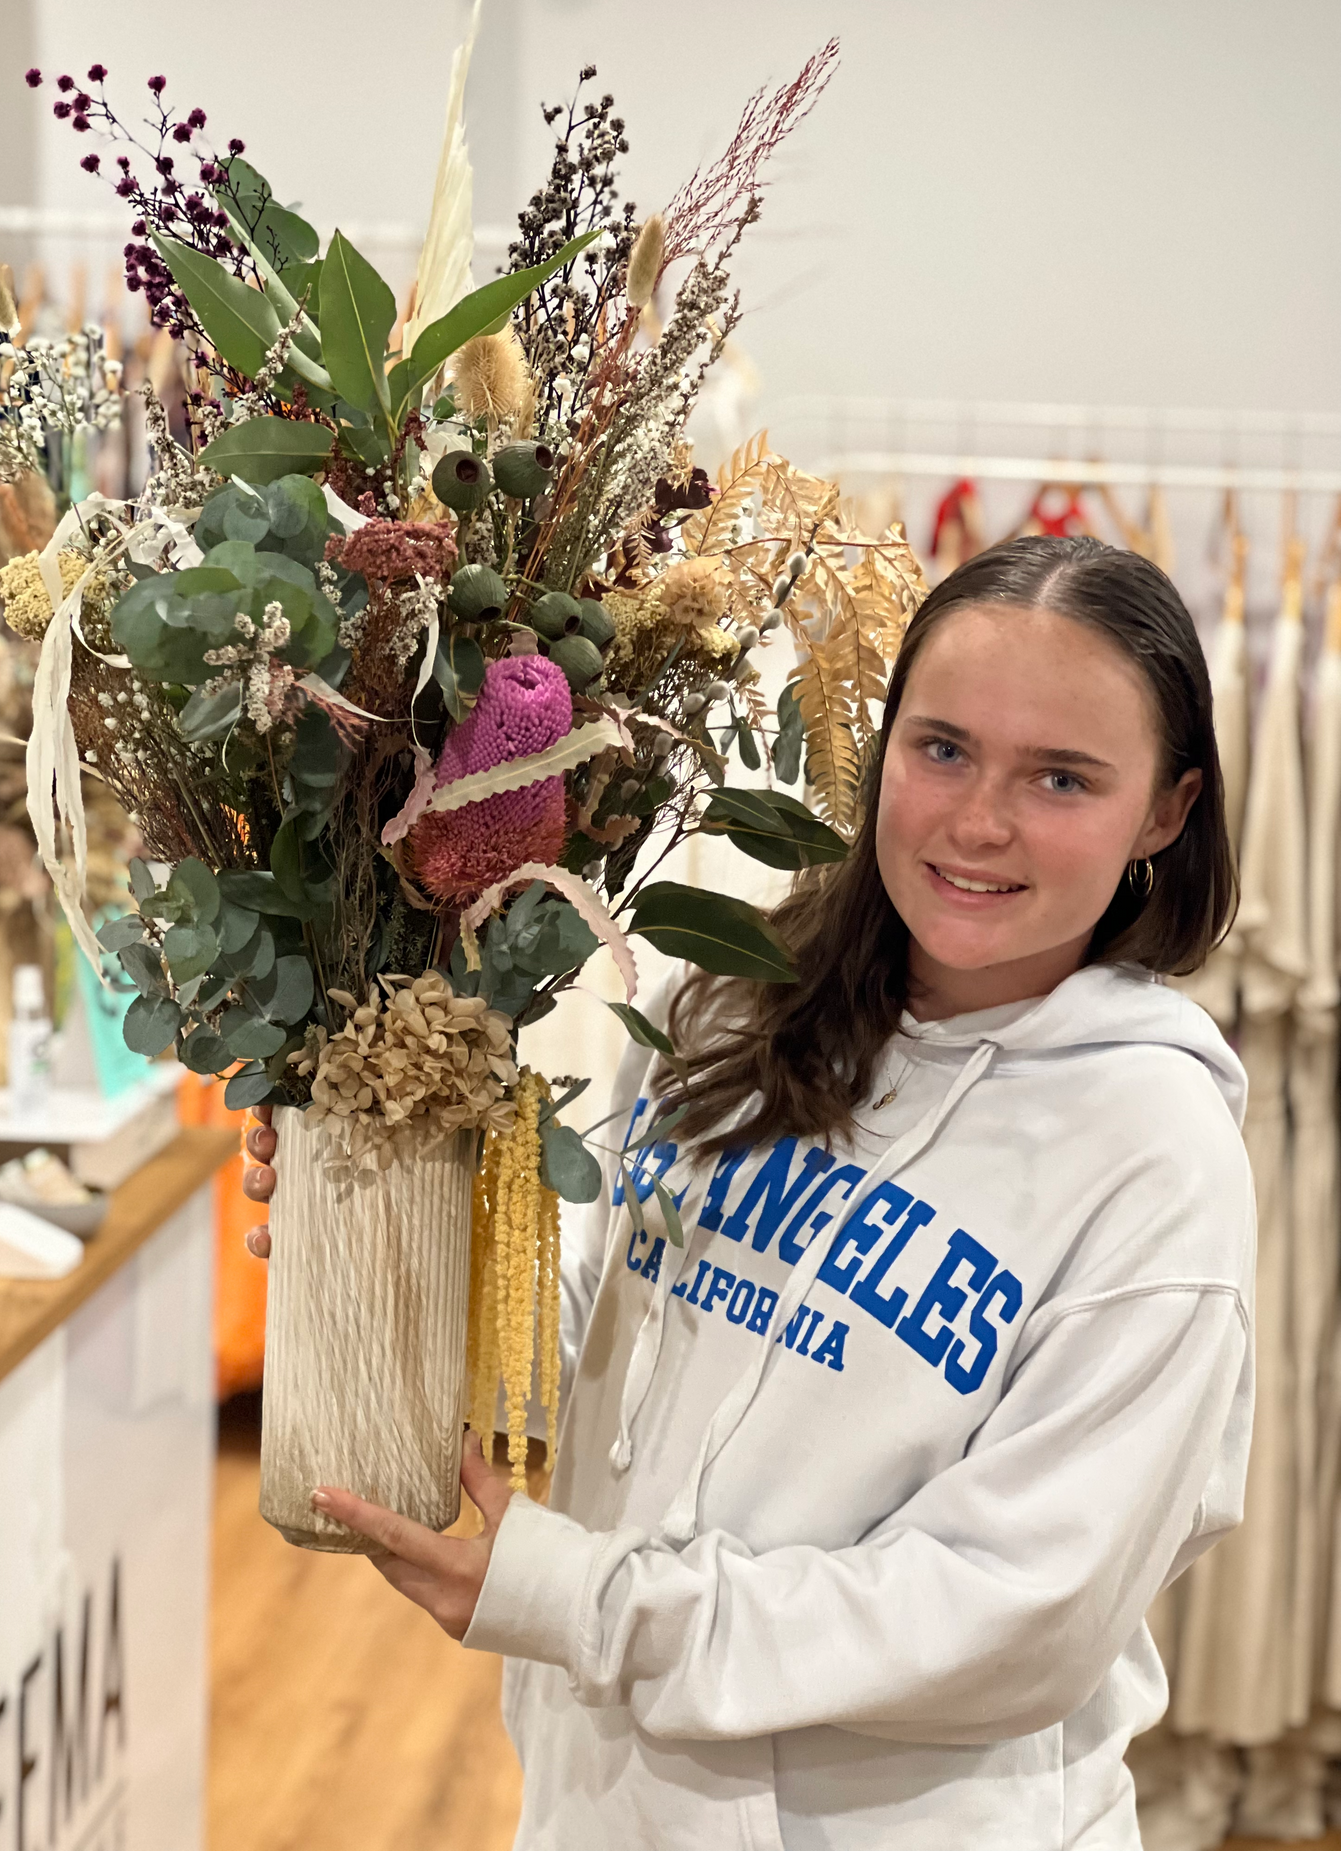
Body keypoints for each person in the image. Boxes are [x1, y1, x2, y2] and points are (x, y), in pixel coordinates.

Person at [243, 535, 1255, 1851]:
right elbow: (592, 1330)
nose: (979, 821)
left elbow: (1014, 1613)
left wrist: (588, 1602)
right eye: (942, 747)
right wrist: (388, 1228)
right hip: (606, 1809)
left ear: (1166, 813)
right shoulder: (727, 999)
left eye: (1061, 776)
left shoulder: (1157, 1159)